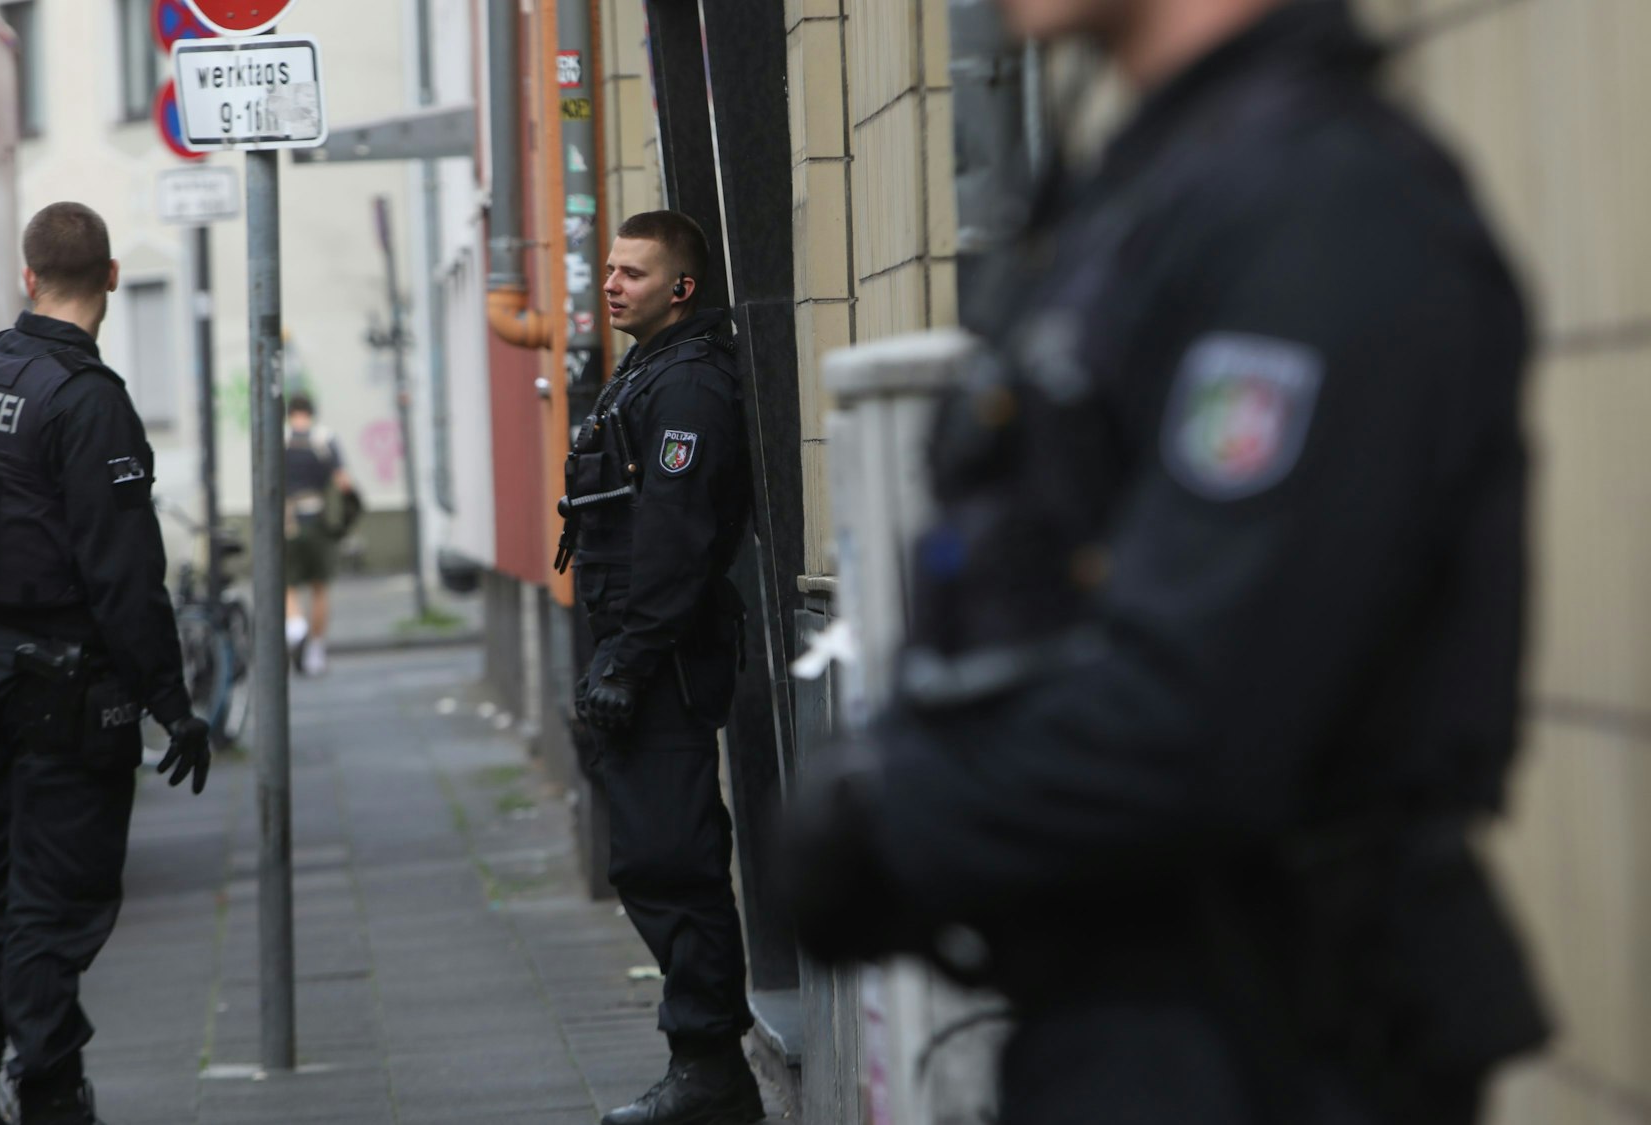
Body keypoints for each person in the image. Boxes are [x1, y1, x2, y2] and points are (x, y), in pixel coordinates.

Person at [781, 0, 1550, 1123]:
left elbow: (1201, 705)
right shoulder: (1158, 187)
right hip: (1129, 1010)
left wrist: (890, 816)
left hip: (1268, 1032)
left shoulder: (1316, 205)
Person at [0, 202, 213, 1125]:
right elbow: (124, 576)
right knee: (57, 905)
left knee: (0, 894)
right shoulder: (88, 403)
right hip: (68, 689)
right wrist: (172, 699)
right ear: (113, 278)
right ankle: (49, 1094)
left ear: (27, 274)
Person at [560, 210, 761, 1125]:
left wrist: (627, 665)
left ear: (680, 288)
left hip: (663, 663)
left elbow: (676, 545)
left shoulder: (687, 389)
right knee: (649, 857)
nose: (610, 284)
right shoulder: (645, 374)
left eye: (632, 273)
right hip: (635, 655)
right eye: (607, 269)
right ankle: (705, 1065)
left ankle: (711, 1070)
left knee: (673, 860)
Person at [283, 392, 356, 676]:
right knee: (320, 587)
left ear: (290, 413)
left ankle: (295, 626)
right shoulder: (325, 439)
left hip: (288, 521)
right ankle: (315, 651)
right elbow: (343, 482)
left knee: (289, 585)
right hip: (320, 521)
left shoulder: (279, 440)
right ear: (312, 413)